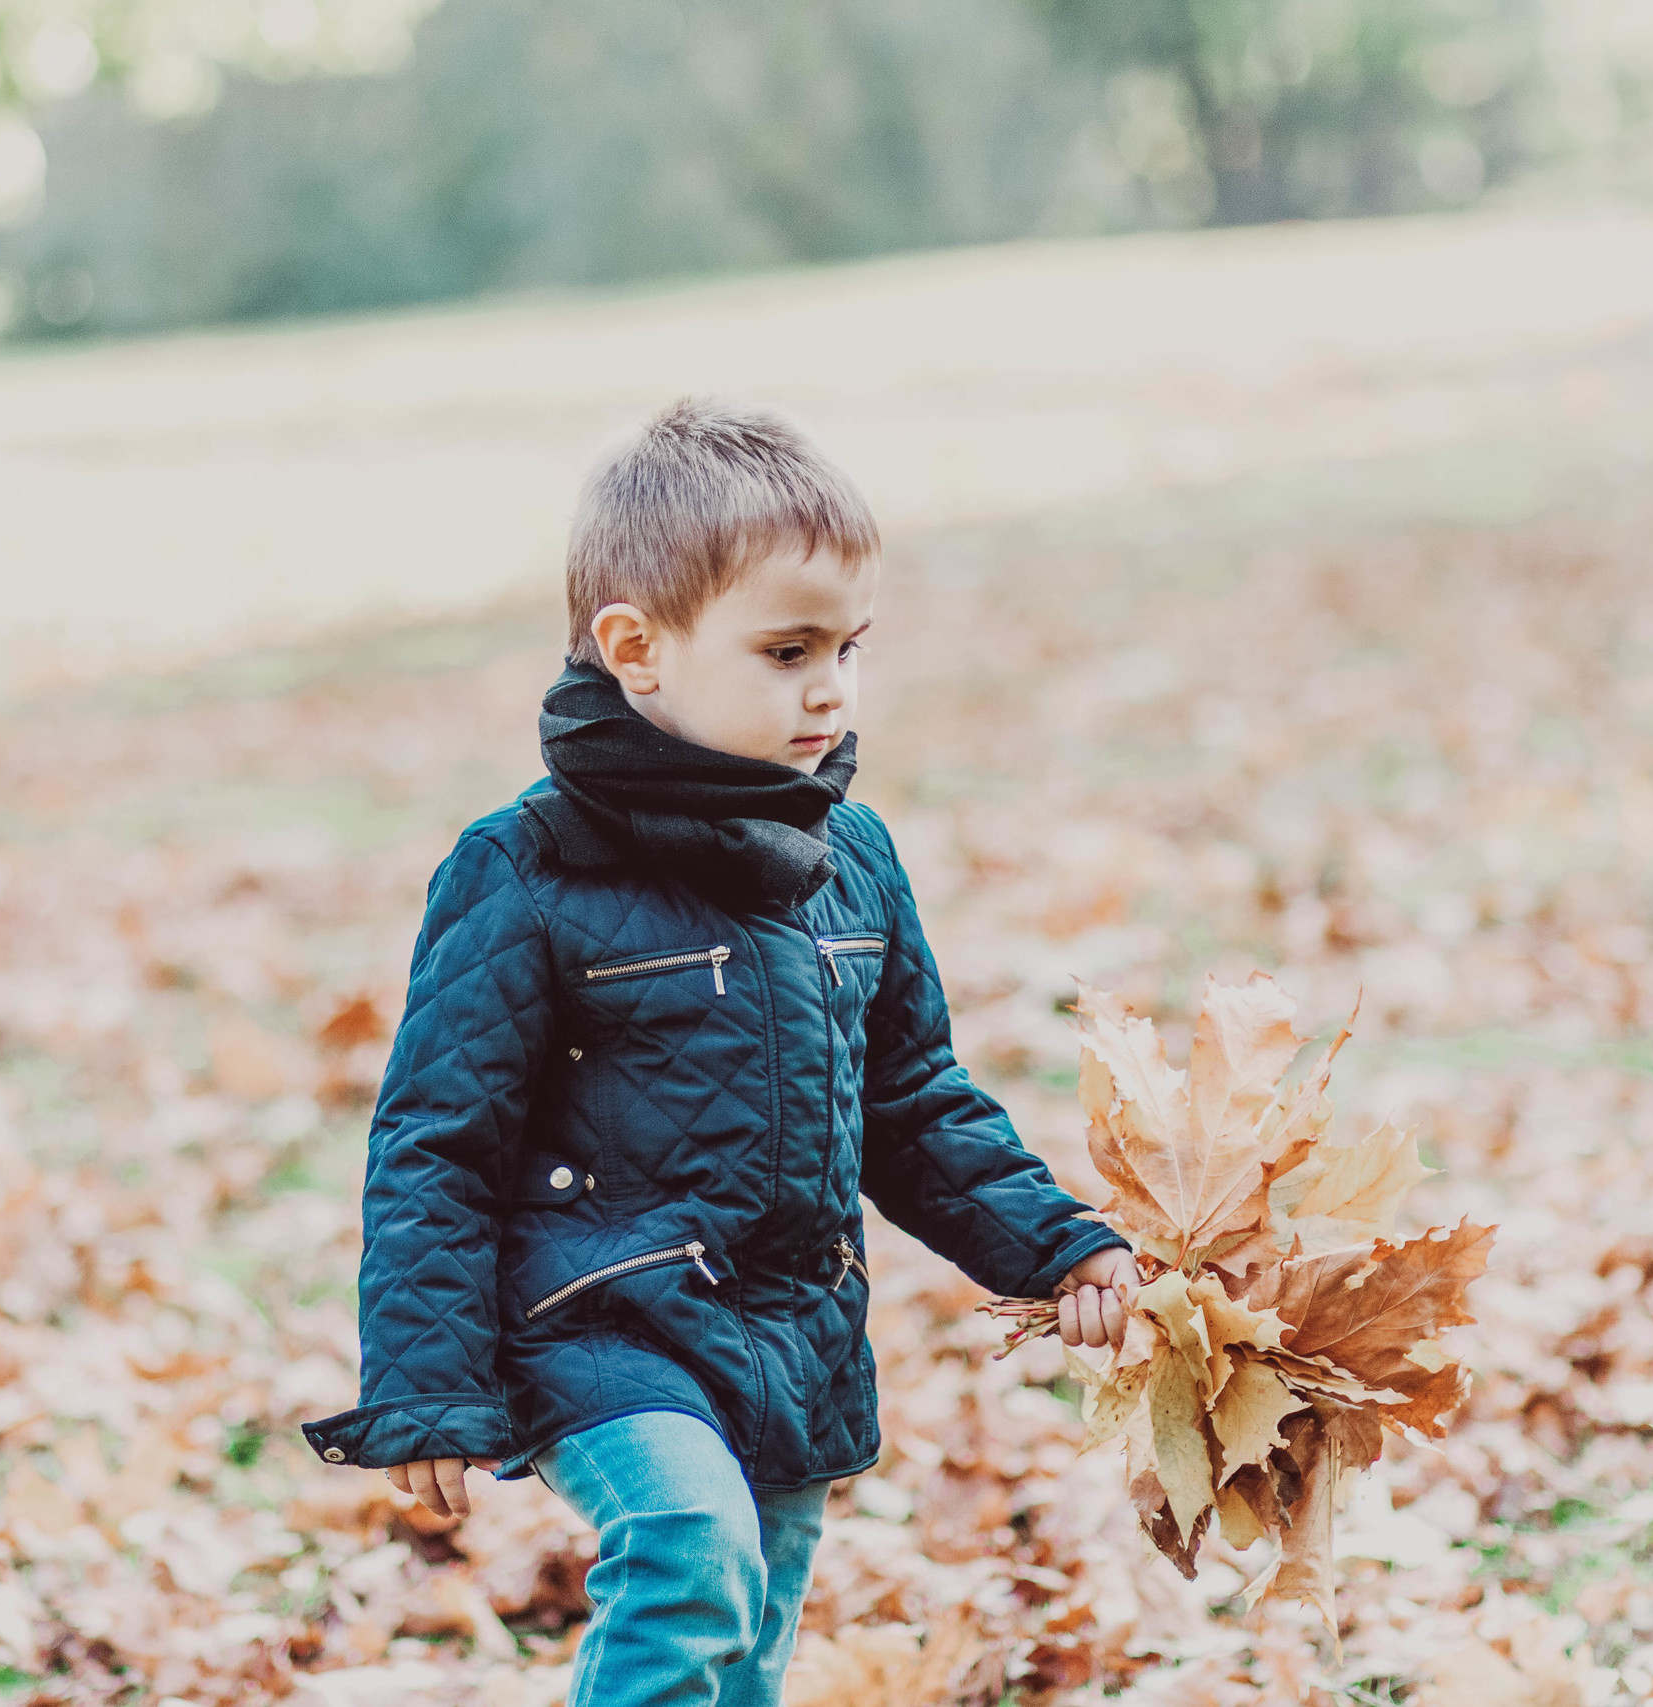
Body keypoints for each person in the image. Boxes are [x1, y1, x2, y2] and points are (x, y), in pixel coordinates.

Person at [302, 397, 1136, 1706]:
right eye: (787, 649)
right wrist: (424, 1384)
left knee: (749, 1631)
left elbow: (912, 1100)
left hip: (787, 1321)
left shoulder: (850, 860)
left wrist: (1057, 1241)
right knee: (691, 1549)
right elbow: (438, 1142)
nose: (831, 688)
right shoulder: (526, 873)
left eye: (850, 647)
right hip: (597, 1322)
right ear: (637, 649)